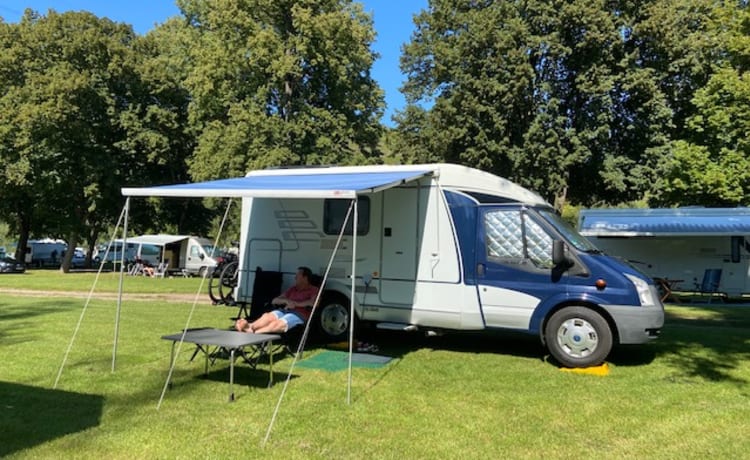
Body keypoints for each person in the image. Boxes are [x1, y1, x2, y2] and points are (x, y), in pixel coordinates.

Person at [235, 266, 319, 334]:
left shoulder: (313, 290)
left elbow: (314, 303)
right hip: (285, 311)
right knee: (267, 316)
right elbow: (275, 300)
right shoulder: (293, 289)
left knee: (278, 323)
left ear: (305, 278)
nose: (295, 277)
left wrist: (295, 304)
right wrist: (286, 301)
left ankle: (254, 333)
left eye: (298, 275)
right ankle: (250, 327)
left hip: (299, 314)